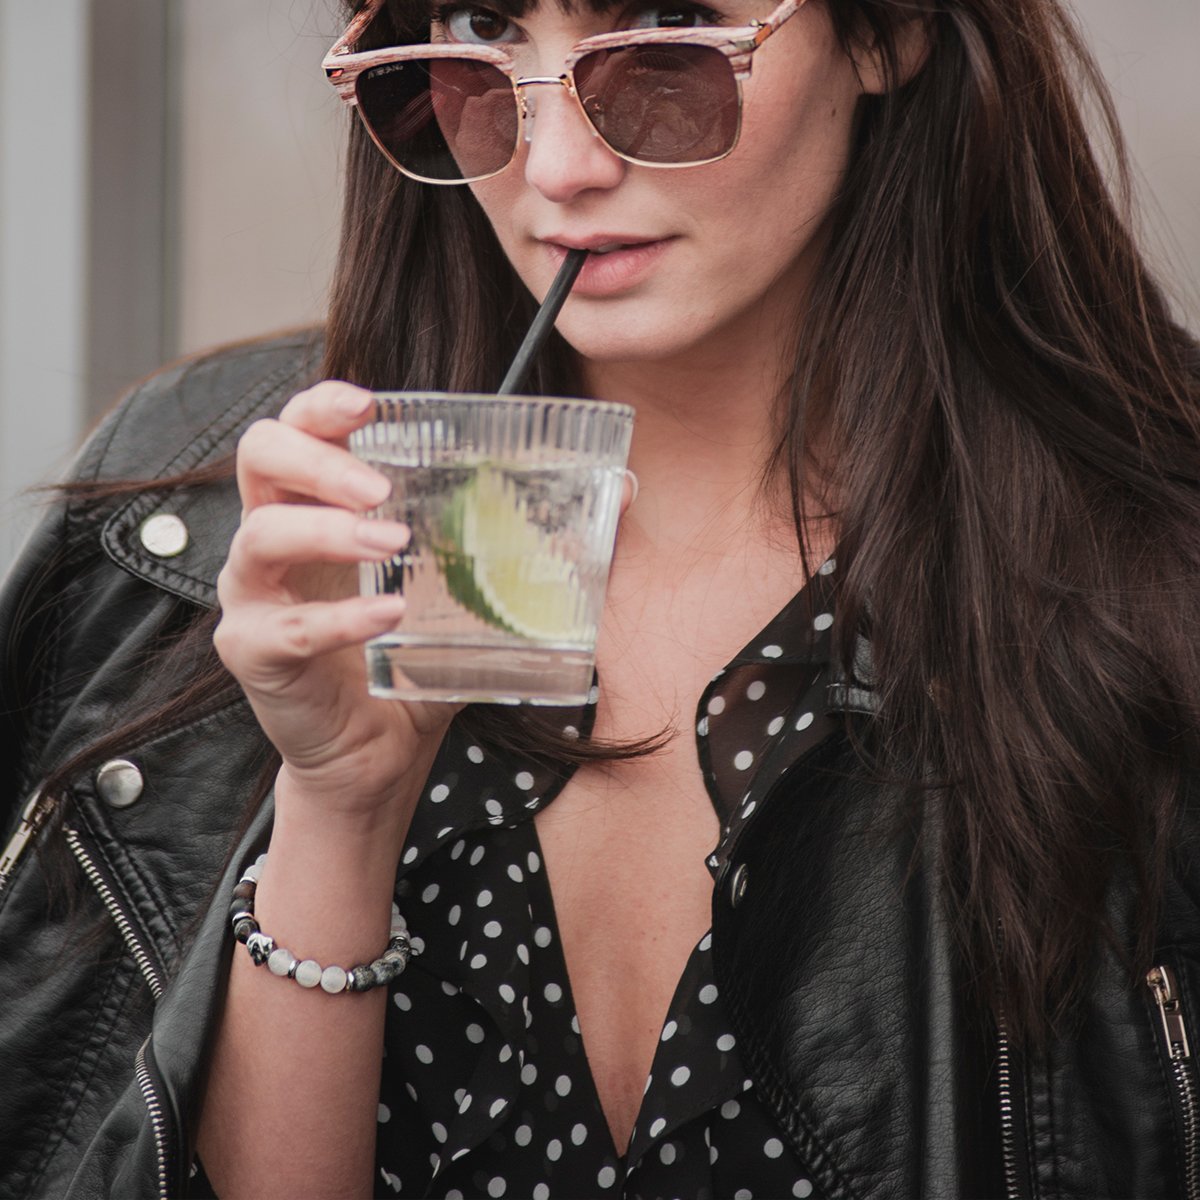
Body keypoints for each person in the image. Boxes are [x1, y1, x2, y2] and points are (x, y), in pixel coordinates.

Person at [1, 0, 1198, 1195]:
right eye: (480, 31)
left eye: (671, 30)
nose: (558, 169)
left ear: (886, 32)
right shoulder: (209, 537)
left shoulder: (1159, 570)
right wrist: (338, 814)